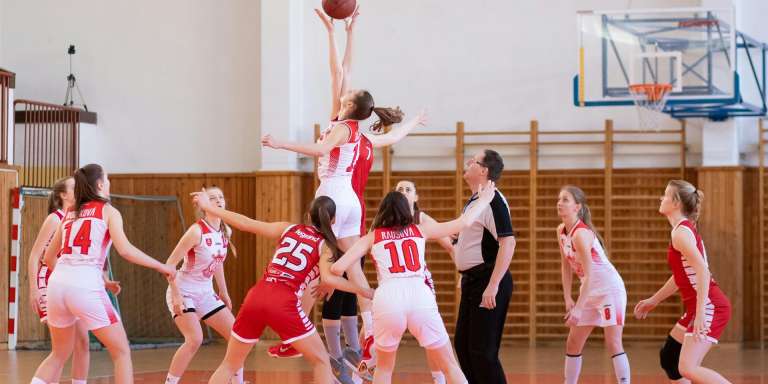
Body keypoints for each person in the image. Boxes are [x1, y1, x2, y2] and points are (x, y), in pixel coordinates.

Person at [191, 191, 373, 384]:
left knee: (229, 364)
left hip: (257, 295)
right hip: (284, 302)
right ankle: (291, 345)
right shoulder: (326, 246)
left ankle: (289, 346)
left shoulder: (289, 228)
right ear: (334, 220)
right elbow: (331, 278)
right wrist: (363, 290)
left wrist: (209, 207)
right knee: (321, 362)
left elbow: (245, 223)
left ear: (308, 216)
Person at [331, 183, 495, 384]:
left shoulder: (373, 236)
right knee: (450, 366)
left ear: (382, 211)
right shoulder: (419, 230)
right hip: (419, 294)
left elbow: (338, 268)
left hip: (388, 297)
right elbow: (464, 222)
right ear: (406, 209)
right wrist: (484, 200)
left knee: (383, 369)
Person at [31, 164, 176, 384]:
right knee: (121, 352)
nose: (109, 183)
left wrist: (73, 277)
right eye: (107, 179)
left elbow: (48, 258)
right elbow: (126, 250)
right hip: (85, 286)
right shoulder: (108, 211)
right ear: (99, 184)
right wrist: (162, 266)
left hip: (57, 285)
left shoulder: (70, 213)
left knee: (58, 354)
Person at [634, 180, 731, 384]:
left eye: (666, 195)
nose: (661, 199)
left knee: (687, 367)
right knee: (670, 357)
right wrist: (654, 300)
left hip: (710, 304)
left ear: (676, 203)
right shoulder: (680, 230)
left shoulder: (680, 233)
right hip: (699, 305)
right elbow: (682, 277)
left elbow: (703, 272)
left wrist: (702, 312)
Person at [27, 176, 121, 384]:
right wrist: (33, 289)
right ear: (63, 194)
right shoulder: (55, 218)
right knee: (62, 350)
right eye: (73, 187)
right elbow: (36, 256)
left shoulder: (78, 216)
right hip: (51, 282)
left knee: (81, 344)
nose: (79, 190)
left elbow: (81, 260)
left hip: (69, 283)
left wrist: (104, 281)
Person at [164, 187, 242, 384]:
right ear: (204, 205)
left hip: (206, 292)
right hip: (184, 290)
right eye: (212, 198)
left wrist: (223, 292)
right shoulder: (196, 231)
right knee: (194, 339)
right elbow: (169, 265)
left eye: (221, 197)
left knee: (238, 338)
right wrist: (175, 295)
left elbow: (217, 263)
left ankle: (237, 381)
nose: (218, 201)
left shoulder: (226, 230)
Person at [452, 149, 515, 384]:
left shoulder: (493, 201)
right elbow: (469, 242)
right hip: (473, 281)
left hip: (488, 281)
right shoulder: (475, 201)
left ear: (483, 170)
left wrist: (493, 284)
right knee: (464, 346)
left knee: (483, 352)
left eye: (473, 160)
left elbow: (508, 241)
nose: (467, 162)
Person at [556, 185, 630, 384]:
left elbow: (589, 275)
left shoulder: (581, 234)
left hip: (608, 289)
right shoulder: (561, 231)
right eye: (559, 199)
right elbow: (566, 266)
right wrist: (568, 298)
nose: (559, 203)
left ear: (577, 207)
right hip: (588, 290)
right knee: (573, 343)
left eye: (565, 200)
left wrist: (579, 308)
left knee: (613, 342)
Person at [395, 180, 454, 384]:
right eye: (399, 189)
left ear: (415, 197)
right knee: (370, 330)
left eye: (408, 189)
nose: (403, 192)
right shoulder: (383, 220)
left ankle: (439, 379)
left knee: (432, 336)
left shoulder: (420, 218)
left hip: (419, 283)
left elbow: (450, 246)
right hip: (392, 285)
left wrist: (463, 273)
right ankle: (363, 370)